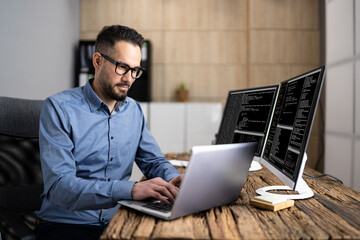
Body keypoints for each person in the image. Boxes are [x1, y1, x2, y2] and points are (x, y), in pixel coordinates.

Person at [35, 25, 183, 240]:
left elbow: (153, 161)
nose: (129, 79)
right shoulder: (58, 108)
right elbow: (59, 187)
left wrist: (174, 178)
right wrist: (130, 190)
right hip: (66, 224)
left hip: (118, 220)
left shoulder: (134, 110)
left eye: (135, 70)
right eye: (122, 67)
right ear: (97, 61)